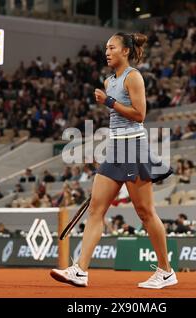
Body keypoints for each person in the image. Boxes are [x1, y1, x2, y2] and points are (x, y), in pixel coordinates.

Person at [50, 32, 177, 289]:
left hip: (134, 148)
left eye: (112, 48)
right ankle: (80, 270)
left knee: (145, 212)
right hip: (116, 148)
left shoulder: (134, 77)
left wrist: (109, 101)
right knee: (97, 210)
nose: (107, 52)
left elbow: (139, 114)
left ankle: (166, 271)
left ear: (126, 51)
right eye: (106, 48)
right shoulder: (109, 81)